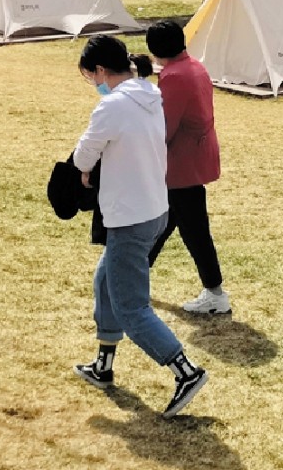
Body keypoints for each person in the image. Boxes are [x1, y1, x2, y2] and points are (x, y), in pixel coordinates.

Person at [69, 36, 209, 416]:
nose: (92, 83)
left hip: (130, 218)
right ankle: (103, 365)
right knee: (105, 282)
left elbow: (84, 155)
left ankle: (186, 371)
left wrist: (83, 171)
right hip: (154, 209)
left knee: (131, 307)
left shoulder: (112, 106)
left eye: (90, 76)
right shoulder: (150, 94)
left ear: (100, 70)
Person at [143, 21, 230, 315]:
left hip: (181, 166)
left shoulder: (174, 76)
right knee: (169, 225)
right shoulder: (194, 67)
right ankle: (134, 275)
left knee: (189, 230)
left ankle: (215, 293)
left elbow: (164, 128)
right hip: (194, 158)